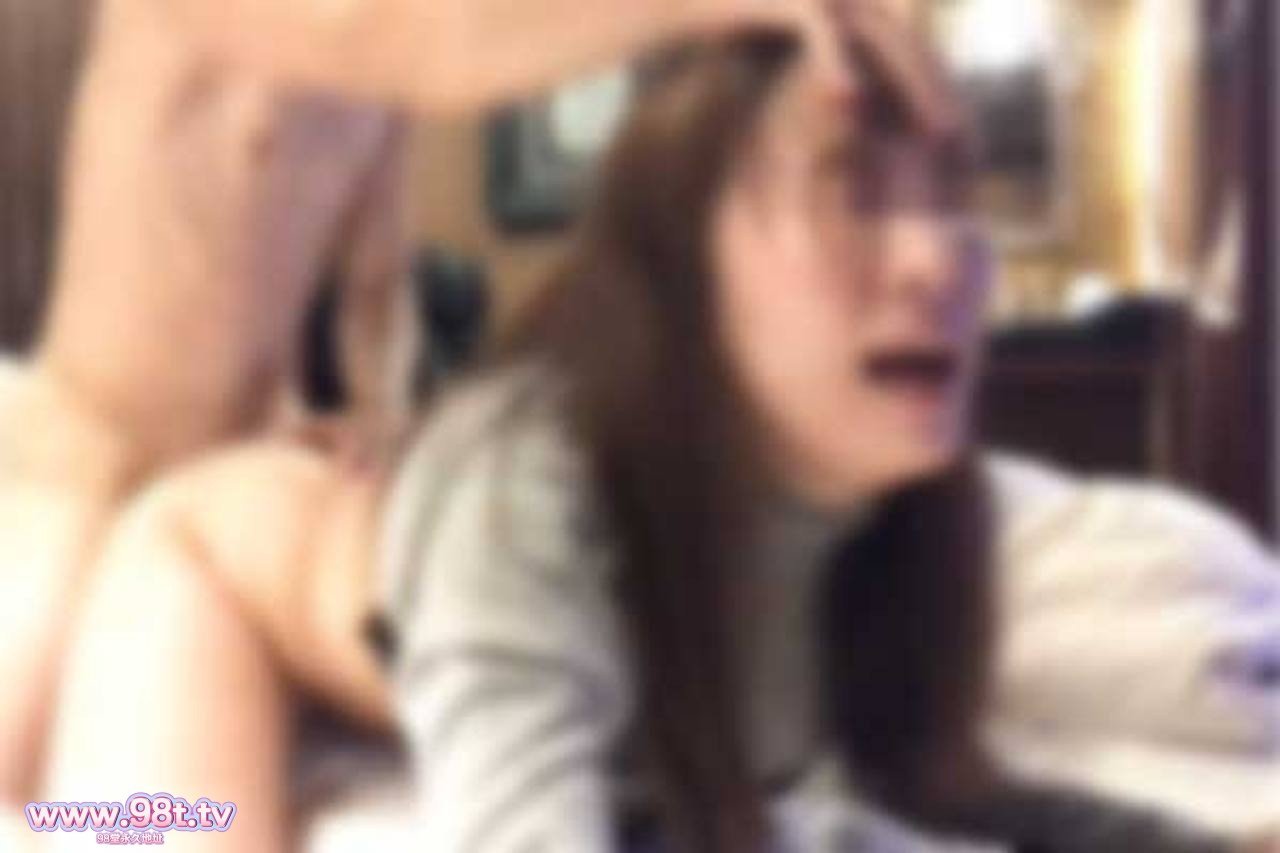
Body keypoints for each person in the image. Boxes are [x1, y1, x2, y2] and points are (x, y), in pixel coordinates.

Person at [43, 3, 1280, 853]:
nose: (932, 260)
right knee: (114, 828)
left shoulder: (843, 515)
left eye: (948, 195)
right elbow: (413, 39)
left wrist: (368, 412)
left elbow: (369, 265)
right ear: (682, 250)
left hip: (294, 479)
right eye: (851, 188)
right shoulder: (230, 20)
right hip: (119, 501)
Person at [1, 0, 843, 822]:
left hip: (243, 473)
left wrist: (377, 416)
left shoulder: (375, 70)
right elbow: (439, 47)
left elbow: (376, 276)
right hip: (93, 460)